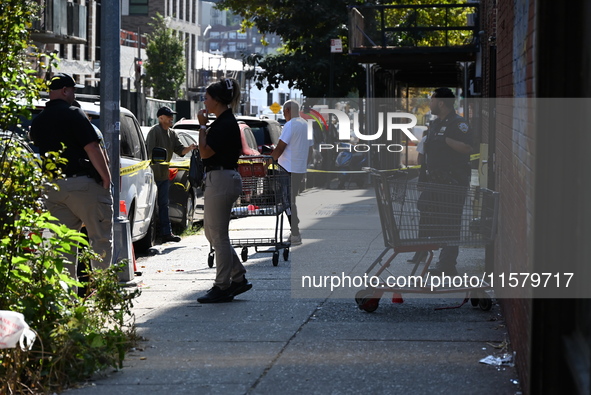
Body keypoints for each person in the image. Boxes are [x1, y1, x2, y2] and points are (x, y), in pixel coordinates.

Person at [30, 72, 113, 285]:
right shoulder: (74, 113)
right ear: (65, 91)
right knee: (100, 239)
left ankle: (67, 302)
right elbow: (92, 147)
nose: (74, 95)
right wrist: (106, 178)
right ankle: (103, 293)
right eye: (73, 90)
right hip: (84, 186)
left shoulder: (38, 121)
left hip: (54, 188)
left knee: (64, 247)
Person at [196, 78, 252, 303]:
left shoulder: (224, 123)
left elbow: (205, 153)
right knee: (212, 233)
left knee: (218, 235)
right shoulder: (223, 121)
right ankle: (237, 277)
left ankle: (222, 285)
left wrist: (201, 126)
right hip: (219, 178)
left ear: (217, 100)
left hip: (221, 178)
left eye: (207, 97)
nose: (204, 101)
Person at [422, 87, 473, 276]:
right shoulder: (435, 123)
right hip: (435, 181)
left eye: (432, 99)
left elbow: (467, 147)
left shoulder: (458, 124)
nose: (430, 103)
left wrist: (446, 140)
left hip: (453, 182)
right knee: (427, 211)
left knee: (451, 223)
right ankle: (434, 256)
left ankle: (447, 266)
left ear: (441, 102)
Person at [145, 106, 197, 243]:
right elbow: (149, 153)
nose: (171, 119)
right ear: (160, 118)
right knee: (150, 205)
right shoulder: (154, 132)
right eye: (168, 117)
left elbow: (180, 150)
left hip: (164, 176)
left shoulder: (172, 134)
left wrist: (190, 148)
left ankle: (166, 234)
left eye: (171, 116)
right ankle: (150, 236)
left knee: (164, 205)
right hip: (151, 176)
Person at [271, 100, 313, 245]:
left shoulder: (290, 125)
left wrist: (269, 162)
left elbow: (280, 147)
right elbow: (311, 149)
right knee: (291, 200)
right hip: (299, 169)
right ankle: (294, 226)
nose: (284, 114)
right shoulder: (305, 124)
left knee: (287, 201)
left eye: (284, 111)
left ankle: (295, 232)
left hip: (287, 169)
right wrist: (304, 165)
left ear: (288, 110)